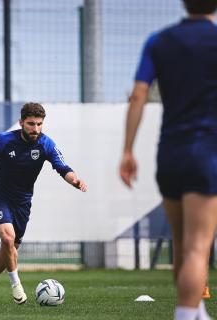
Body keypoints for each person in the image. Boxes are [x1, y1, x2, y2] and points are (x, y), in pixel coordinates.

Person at [119, 1, 217, 319]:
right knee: (197, 247)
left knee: (181, 243)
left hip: (170, 155)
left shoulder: (159, 41)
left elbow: (138, 95)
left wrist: (128, 149)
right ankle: (186, 314)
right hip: (206, 155)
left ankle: (197, 312)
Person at [0, 102, 87, 305]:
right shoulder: (4, 140)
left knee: (9, 251)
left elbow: (63, 167)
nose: (36, 129)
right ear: (21, 122)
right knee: (8, 239)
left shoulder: (46, 144)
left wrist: (75, 180)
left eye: (39, 124)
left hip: (23, 203)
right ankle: (16, 285)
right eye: (31, 124)